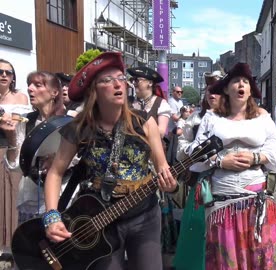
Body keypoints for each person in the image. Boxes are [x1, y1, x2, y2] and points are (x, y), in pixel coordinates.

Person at [43, 52, 178, 270]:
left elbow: (163, 167)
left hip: (144, 215)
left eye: (121, 78)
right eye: (107, 80)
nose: (118, 84)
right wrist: (51, 215)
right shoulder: (79, 128)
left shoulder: (144, 123)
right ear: (93, 89)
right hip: (99, 219)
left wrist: (169, 183)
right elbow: (56, 172)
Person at [189, 62, 276, 269]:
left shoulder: (263, 117)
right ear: (226, 88)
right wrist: (220, 161)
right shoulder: (212, 118)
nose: (241, 85)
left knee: (261, 258)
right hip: (222, 201)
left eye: (245, 81)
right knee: (227, 261)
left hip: (256, 199)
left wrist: (256, 158)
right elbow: (194, 154)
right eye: (236, 81)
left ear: (250, 89)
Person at [173, 73, 222, 270]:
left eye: (217, 89)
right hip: (201, 181)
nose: (212, 93)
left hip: (223, 180)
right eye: (209, 89)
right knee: (196, 227)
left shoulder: (231, 120)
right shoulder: (195, 118)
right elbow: (182, 146)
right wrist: (192, 151)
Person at [16, 71, 65, 224]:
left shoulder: (68, 122)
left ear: (54, 92)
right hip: (31, 196)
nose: (30, 89)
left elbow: (81, 156)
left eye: (38, 85)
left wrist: (57, 161)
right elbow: (16, 165)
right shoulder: (25, 122)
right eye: (29, 85)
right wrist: (11, 137)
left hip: (63, 195)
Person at [0, 59, 30, 264]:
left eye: (8, 73)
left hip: (12, 151)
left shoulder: (20, 97)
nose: (3, 75)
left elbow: (24, 129)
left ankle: (12, 244)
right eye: (0, 71)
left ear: (13, 77)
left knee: (12, 196)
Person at [127, 66, 171, 139]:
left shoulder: (161, 104)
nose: (134, 83)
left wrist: (135, 131)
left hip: (152, 148)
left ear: (150, 83)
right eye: (132, 80)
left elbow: (161, 133)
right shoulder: (128, 102)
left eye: (137, 80)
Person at [167, 86, 184, 163]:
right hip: (173, 130)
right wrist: (184, 117)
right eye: (177, 92)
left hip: (179, 128)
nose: (180, 93)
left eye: (181, 92)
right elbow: (175, 117)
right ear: (173, 92)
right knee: (173, 150)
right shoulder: (171, 102)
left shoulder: (180, 102)